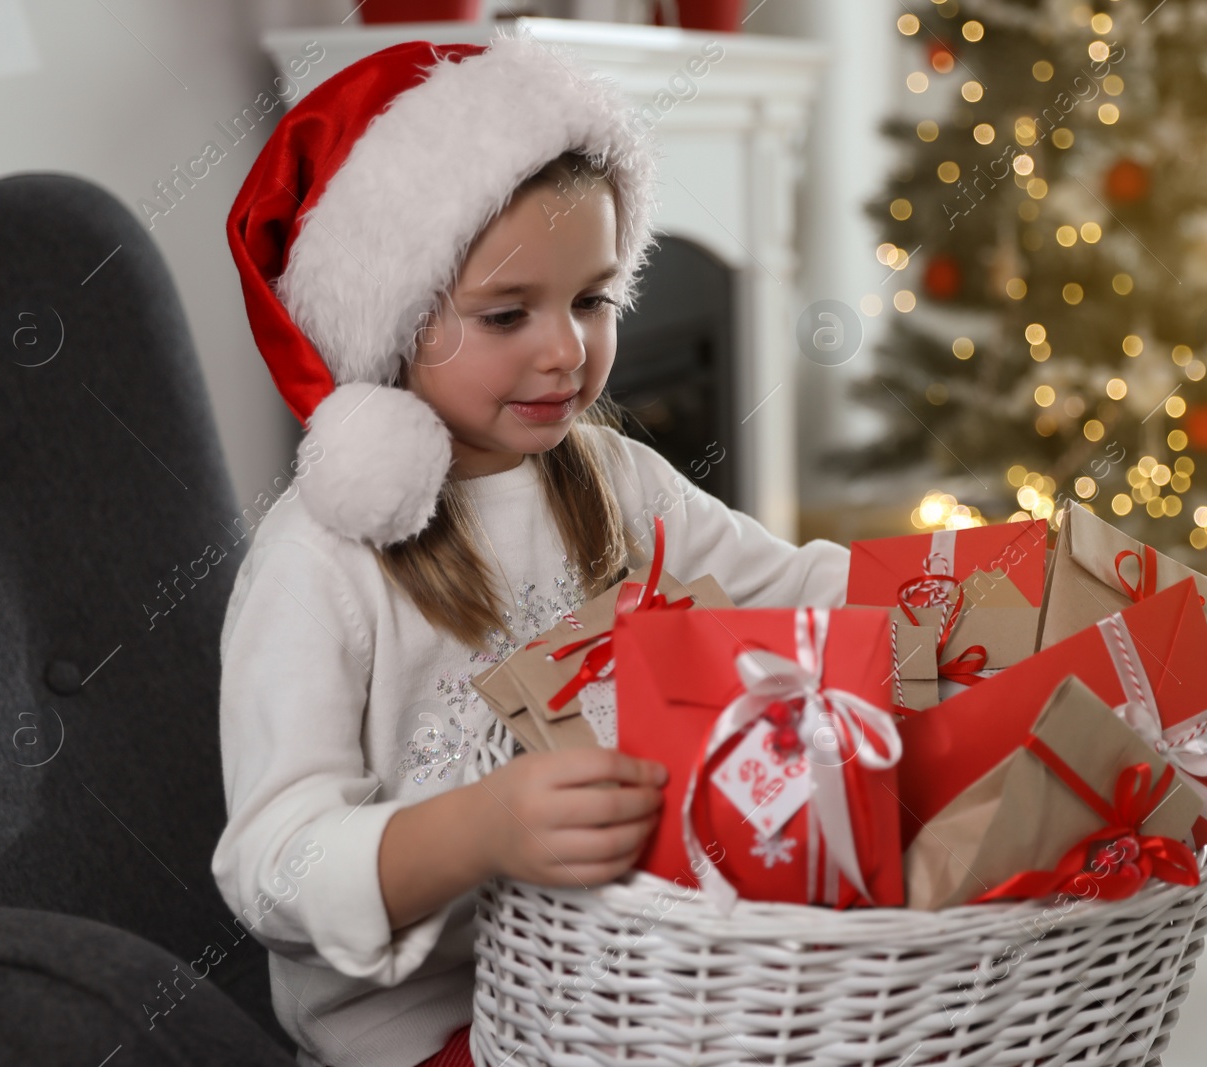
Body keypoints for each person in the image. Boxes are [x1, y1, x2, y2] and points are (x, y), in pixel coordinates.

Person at [214, 29, 850, 1067]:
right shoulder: (319, 562)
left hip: (631, 977)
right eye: (508, 312)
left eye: (592, 298)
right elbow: (271, 868)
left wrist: (961, 597)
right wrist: (479, 828)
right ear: (391, 321)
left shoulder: (614, 479)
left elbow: (787, 589)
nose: (566, 349)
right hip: (428, 1029)